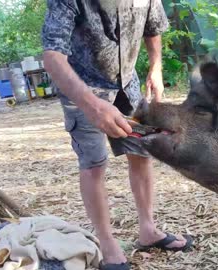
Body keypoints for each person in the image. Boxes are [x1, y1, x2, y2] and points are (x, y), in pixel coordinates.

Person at [41, 0, 193, 269]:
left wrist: (155, 68)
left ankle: (147, 230)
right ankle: (107, 241)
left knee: (141, 151)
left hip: (128, 83)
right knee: (94, 164)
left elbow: (153, 28)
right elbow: (52, 56)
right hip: (81, 88)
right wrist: (91, 104)